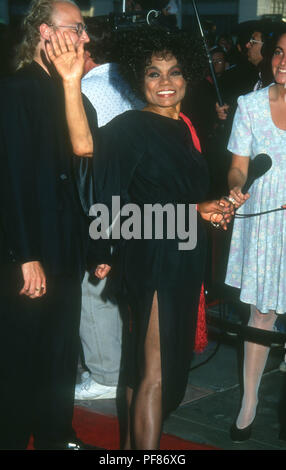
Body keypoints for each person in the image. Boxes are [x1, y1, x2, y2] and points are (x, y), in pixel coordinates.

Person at [46, 26, 232, 450]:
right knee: (155, 374)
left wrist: (210, 210)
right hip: (155, 260)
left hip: (182, 255)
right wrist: (72, 84)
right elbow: (83, 146)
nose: (165, 82)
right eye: (153, 73)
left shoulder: (185, 126)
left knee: (144, 370)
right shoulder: (133, 125)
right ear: (138, 79)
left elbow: (174, 196)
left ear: (189, 77)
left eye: (174, 72)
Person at [0, 0, 99, 450]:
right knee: (21, 359)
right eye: (76, 28)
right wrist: (25, 255)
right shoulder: (16, 91)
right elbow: (10, 181)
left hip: (66, 249)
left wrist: (97, 248)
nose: (85, 38)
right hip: (28, 251)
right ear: (43, 32)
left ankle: (58, 436)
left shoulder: (72, 93)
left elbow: (86, 170)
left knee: (60, 357)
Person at [75, 22, 143, 401]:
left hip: (101, 200)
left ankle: (104, 374)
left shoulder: (86, 89)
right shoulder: (126, 81)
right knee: (114, 287)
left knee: (93, 286)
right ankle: (114, 365)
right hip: (134, 202)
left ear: (88, 52)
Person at [224, 27, 286, 442]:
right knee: (262, 315)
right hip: (265, 222)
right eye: (279, 52)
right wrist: (234, 184)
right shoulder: (249, 104)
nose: (282, 62)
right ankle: (249, 402)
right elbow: (238, 165)